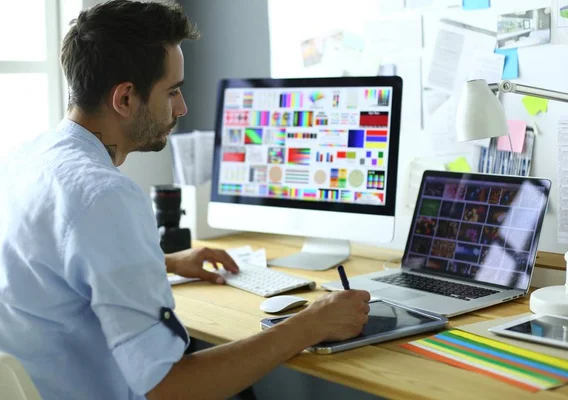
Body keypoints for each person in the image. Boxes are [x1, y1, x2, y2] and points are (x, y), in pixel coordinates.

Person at [0, 1, 371, 399]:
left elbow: (50, 267)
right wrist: (311, 324)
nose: (182, 107)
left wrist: (163, 263)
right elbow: (170, 388)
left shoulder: (26, 159)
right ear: (125, 99)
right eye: (172, 91)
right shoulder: (104, 195)